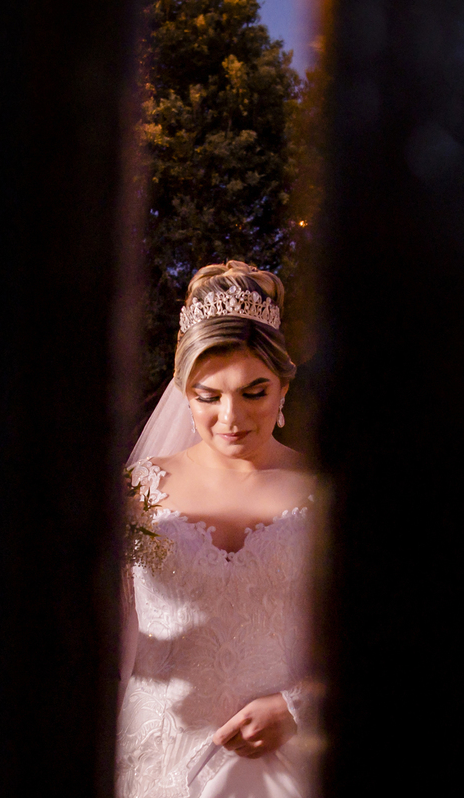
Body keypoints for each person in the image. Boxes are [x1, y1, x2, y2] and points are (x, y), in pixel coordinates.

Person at [117, 261, 318, 798]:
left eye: (254, 392)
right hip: (157, 761)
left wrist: (298, 708)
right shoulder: (137, 494)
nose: (231, 417)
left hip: (284, 770)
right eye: (209, 396)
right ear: (184, 392)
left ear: (283, 389)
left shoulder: (321, 495)